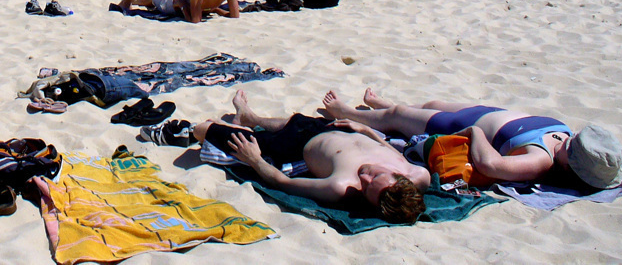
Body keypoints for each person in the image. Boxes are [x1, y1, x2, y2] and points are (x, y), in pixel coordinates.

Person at [143, 89, 428, 224]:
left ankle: (190, 131)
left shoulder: (340, 186)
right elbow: (394, 149)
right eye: (375, 176)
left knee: (208, 129)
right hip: (329, 128)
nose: (364, 177)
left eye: (365, 188)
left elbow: (281, 182)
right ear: (399, 176)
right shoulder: (418, 175)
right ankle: (248, 116)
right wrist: (366, 130)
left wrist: (255, 160)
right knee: (294, 119)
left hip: (293, 147)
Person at [322, 88, 622, 189]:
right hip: (482, 112)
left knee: (400, 117)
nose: (568, 142)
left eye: (570, 149)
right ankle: (384, 106)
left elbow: (491, 164)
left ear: (570, 167)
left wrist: (477, 133)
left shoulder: (539, 161)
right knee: (429, 106)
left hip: (468, 125)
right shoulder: (565, 146)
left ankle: (347, 111)